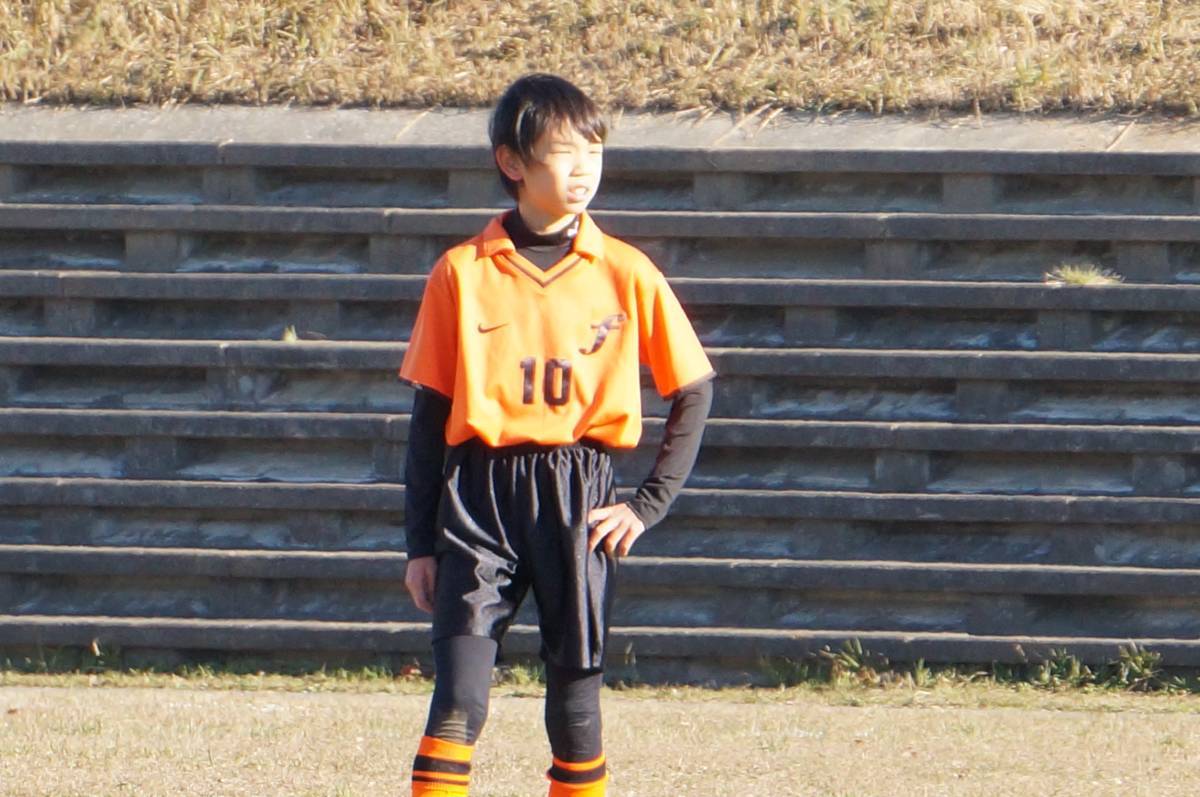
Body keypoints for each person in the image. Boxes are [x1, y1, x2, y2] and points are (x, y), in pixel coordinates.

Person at [398, 72, 716, 797]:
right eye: (564, 153)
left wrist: (646, 504)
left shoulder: (626, 270)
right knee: (459, 699)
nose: (583, 170)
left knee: (576, 710)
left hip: (580, 496)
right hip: (479, 497)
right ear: (512, 162)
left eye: (594, 152)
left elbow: (694, 388)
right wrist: (419, 543)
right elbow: (428, 419)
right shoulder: (460, 273)